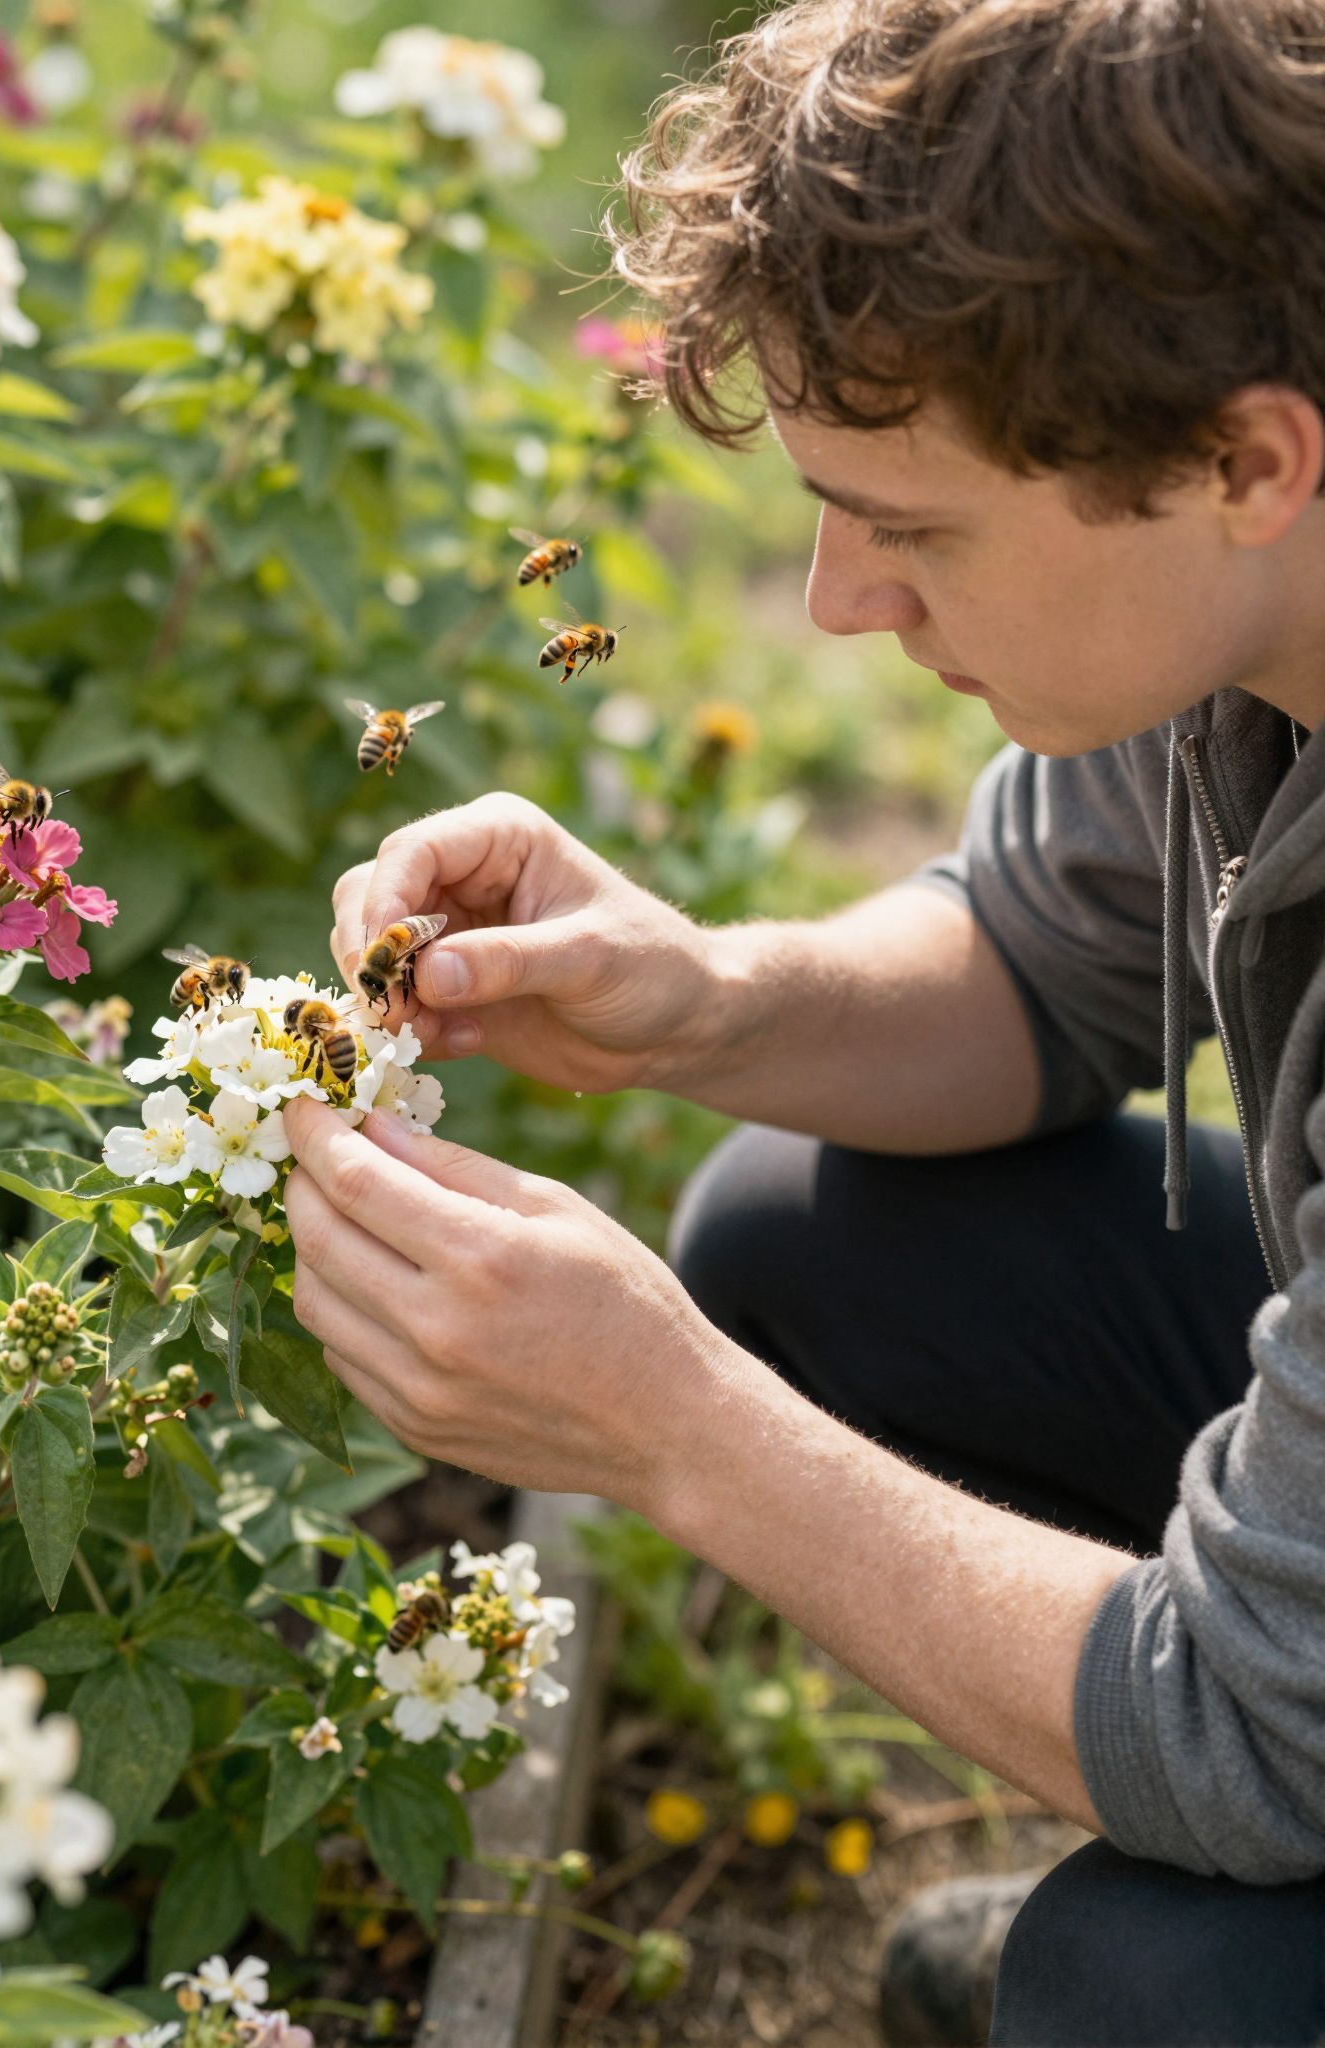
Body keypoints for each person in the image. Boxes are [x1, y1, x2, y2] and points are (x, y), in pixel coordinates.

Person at [279, 0, 1325, 2038]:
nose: (840, 601)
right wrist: (698, 998)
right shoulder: (1242, 601)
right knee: (805, 1231)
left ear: (1247, 457)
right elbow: (1041, 952)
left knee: (1152, 1986)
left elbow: (1254, 1735)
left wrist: (666, 1426)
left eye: (915, 525)